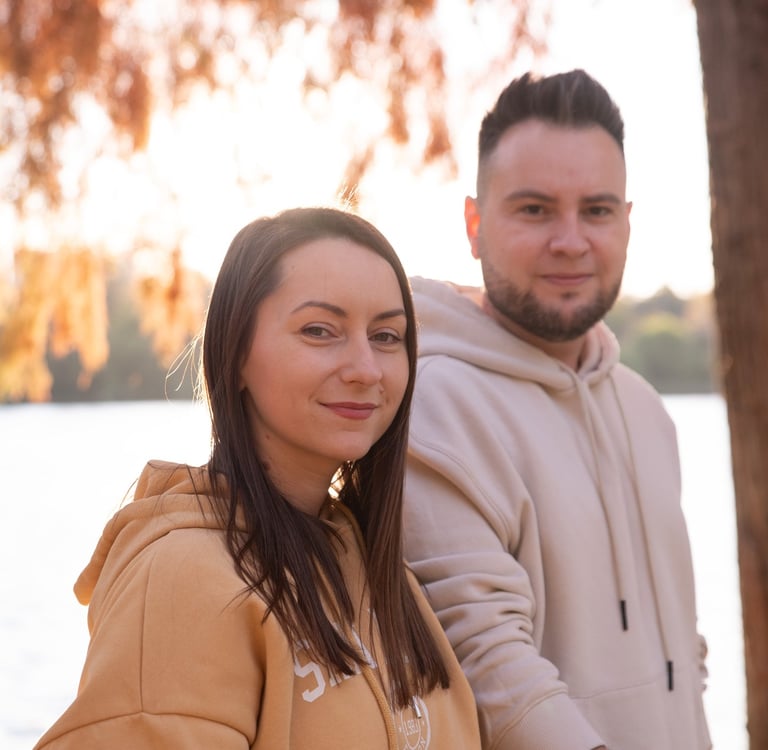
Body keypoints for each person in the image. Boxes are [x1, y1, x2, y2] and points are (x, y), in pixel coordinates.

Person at [33, 207, 482, 750]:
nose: (366, 367)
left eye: (387, 336)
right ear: (237, 351)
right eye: (320, 331)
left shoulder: (374, 567)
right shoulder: (184, 578)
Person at [402, 70, 712, 749]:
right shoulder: (431, 407)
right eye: (536, 210)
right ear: (474, 225)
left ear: (627, 224)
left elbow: (682, 660)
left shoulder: (644, 409)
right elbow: (490, 671)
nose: (570, 241)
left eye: (596, 210)